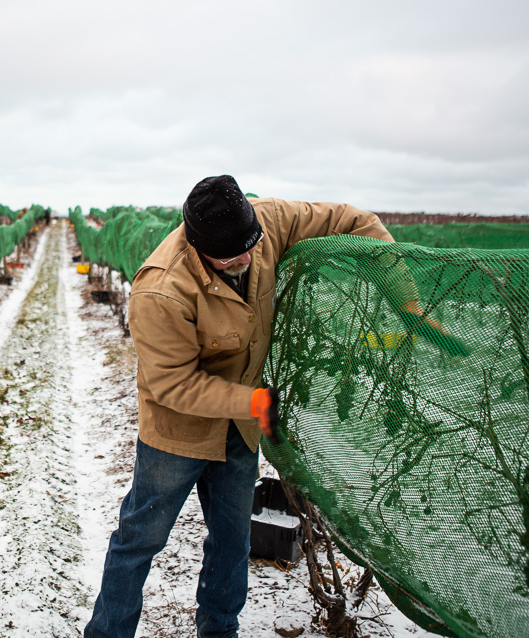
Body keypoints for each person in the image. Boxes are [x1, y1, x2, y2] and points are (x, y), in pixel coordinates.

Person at [84, 174, 401, 638]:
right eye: (232, 256)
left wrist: (404, 299)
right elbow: (173, 383)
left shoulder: (265, 223)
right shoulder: (160, 290)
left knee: (233, 542)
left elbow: (357, 221)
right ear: (199, 248)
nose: (248, 259)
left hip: (240, 427)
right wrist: (250, 399)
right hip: (178, 432)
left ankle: (219, 631)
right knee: (140, 539)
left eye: (251, 246)